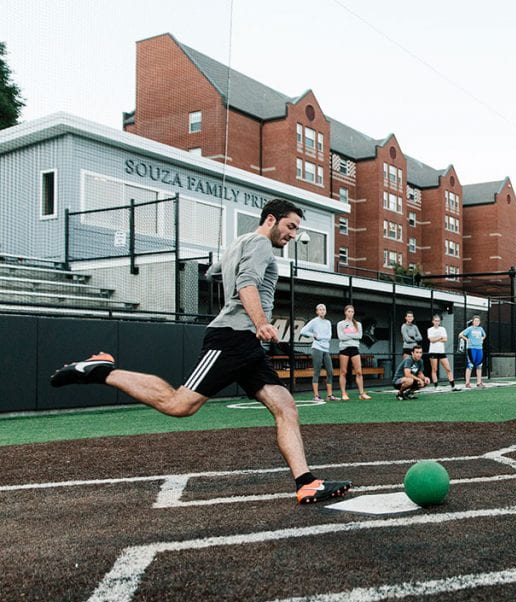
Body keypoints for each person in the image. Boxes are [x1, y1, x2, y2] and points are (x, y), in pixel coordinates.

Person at [49, 198, 351, 504]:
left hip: (246, 342)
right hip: (232, 337)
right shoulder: (260, 246)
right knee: (180, 404)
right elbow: (246, 284)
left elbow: (214, 273)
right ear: (271, 220)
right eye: (290, 226)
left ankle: (306, 482)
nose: (293, 234)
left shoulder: (239, 243)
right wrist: (261, 322)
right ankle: (102, 371)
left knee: (285, 406)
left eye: (297, 229)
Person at [297, 304, 339, 402]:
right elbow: (303, 331)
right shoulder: (314, 321)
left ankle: (329, 395)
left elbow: (329, 336)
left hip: (326, 349)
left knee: (330, 371)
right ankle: (316, 396)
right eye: (320, 309)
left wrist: (321, 337)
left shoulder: (328, 322)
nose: (322, 311)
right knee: (317, 371)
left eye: (324, 309)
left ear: (326, 311)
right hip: (317, 348)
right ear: (317, 311)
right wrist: (313, 335)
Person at [336, 304, 372, 400]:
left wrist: (347, 334)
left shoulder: (358, 324)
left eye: (352, 312)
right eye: (349, 311)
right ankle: (344, 393)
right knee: (343, 372)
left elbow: (359, 336)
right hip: (344, 349)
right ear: (345, 312)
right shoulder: (340, 324)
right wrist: (352, 334)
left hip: (354, 348)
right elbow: (341, 337)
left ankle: (362, 393)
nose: (350, 313)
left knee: (359, 372)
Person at [426, 314, 459, 391]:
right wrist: (440, 337)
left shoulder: (442, 329)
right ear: (433, 321)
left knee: (448, 369)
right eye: (435, 321)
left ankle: (453, 386)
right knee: (434, 369)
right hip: (433, 352)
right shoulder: (430, 330)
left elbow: (445, 339)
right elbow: (431, 340)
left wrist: (436, 339)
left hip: (441, 352)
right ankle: (436, 386)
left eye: (438, 321)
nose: (437, 322)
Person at [459, 315, 487, 389]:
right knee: (470, 365)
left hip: (479, 348)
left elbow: (484, 335)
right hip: (471, 348)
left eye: (478, 321)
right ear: (473, 321)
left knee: (479, 365)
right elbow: (460, 335)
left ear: (479, 322)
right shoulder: (470, 329)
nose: (477, 322)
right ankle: (467, 383)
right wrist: (467, 339)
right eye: (475, 321)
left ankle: (479, 382)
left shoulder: (480, 329)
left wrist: (482, 339)